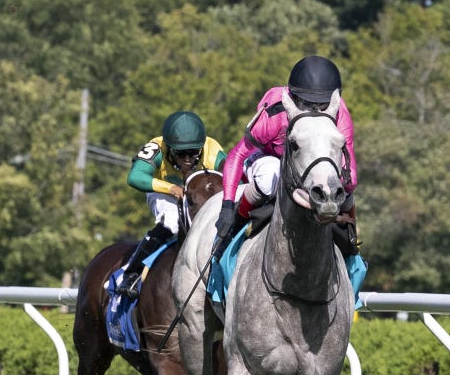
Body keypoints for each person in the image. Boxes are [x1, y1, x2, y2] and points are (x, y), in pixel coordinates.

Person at [214, 55, 359, 261]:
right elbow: (236, 155)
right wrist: (227, 206)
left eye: (322, 105)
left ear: (333, 101)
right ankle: (232, 229)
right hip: (269, 156)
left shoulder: (340, 113)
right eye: (306, 104)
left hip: (310, 163)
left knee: (345, 189)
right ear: (294, 98)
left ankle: (352, 247)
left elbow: (351, 175)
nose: (314, 111)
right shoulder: (275, 114)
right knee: (269, 176)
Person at [119, 111, 227, 298]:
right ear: (168, 148)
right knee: (172, 221)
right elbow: (134, 177)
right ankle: (132, 272)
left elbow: (235, 174)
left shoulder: (212, 149)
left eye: (193, 152)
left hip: (196, 195)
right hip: (162, 191)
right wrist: (171, 189)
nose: (187, 159)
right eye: (180, 153)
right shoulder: (156, 147)